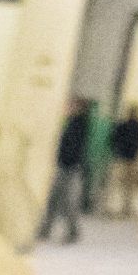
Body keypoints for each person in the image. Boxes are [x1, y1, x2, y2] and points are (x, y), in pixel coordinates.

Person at [41, 98, 95, 245]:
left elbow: (73, 147)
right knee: (54, 199)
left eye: (71, 105)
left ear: (78, 107)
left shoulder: (79, 124)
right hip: (65, 166)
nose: (67, 107)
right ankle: (46, 229)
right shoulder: (73, 123)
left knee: (68, 202)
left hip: (70, 168)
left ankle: (72, 232)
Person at [106, 105, 138, 216]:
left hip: (121, 158)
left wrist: (116, 150)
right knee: (129, 186)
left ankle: (110, 206)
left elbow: (113, 138)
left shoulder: (122, 125)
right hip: (134, 159)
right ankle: (126, 208)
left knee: (115, 183)